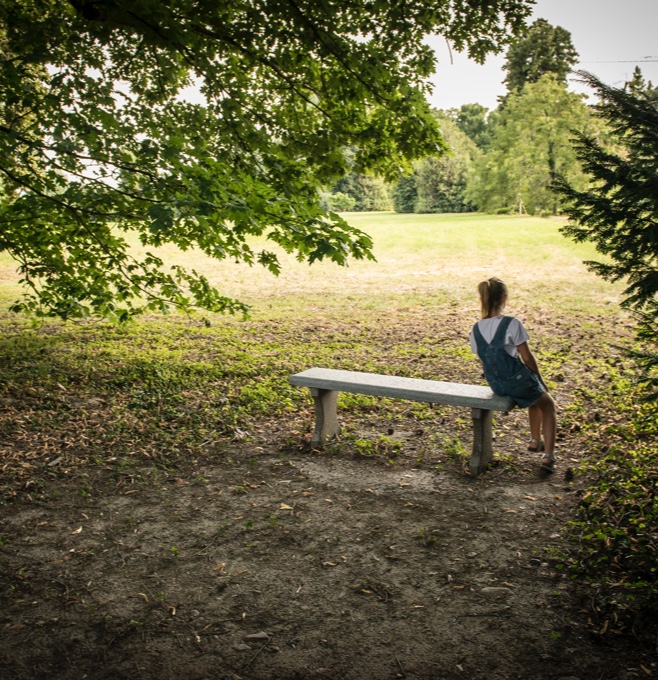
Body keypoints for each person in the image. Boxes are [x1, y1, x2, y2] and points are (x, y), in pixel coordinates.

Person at [469, 277, 557, 472]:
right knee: (548, 402)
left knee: (535, 398)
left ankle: (536, 441)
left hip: (497, 385)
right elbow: (527, 357)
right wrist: (539, 379)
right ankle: (549, 457)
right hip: (516, 381)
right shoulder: (511, 323)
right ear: (504, 297)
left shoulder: (476, 329)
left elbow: (484, 361)